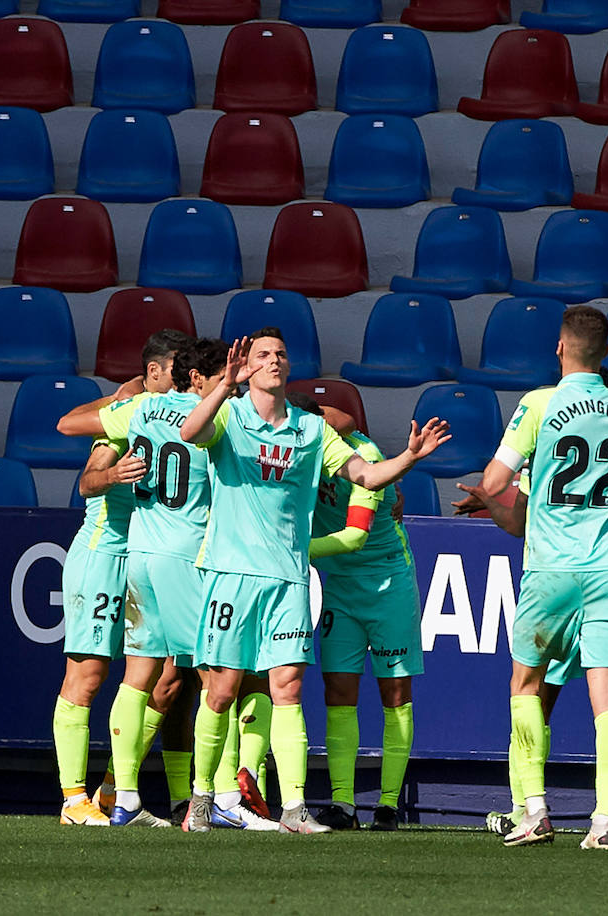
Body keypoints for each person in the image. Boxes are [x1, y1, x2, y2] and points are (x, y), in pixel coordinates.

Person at [179, 329, 451, 834]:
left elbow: (365, 476)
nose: (273, 360)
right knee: (220, 690)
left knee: (289, 687)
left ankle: (294, 807)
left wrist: (410, 458)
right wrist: (224, 386)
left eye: (280, 354)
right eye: (263, 354)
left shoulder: (309, 430)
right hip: (232, 574)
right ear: (249, 366)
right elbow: (190, 434)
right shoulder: (229, 416)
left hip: (288, 578)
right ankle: (200, 799)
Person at [457, 306, 608, 851]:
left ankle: (536, 811)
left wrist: (518, 484)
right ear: (606, 353)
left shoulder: (540, 405)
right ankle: (605, 821)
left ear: (560, 348)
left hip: (550, 567)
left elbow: (496, 478)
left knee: (525, 686)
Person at [96, 336, 281, 831]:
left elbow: (82, 422)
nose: (234, 385)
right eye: (227, 376)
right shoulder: (215, 423)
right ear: (199, 378)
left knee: (139, 676)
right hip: (189, 558)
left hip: (141, 552)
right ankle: (221, 799)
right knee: (217, 681)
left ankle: (126, 799)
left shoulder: (141, 409)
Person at [50, 329, 190, 827]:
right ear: (153, 372)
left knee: (164, 677)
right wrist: (111, 476)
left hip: (153, 559)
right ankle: (72, 800)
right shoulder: (126, 418)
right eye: (176, 372)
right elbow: (87, 481)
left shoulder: (189, 424)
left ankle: (114, 791)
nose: (183, 384)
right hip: (105, 554)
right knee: (87, 677)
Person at [288, 393, 421, 833]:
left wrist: (287, 552)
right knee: (338, 694)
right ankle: (343, 804)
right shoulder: (299, 453)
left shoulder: (363, 456)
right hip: (340, 589)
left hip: (387, 584)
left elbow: (354, 537)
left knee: (395, 696)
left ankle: (387, 806)